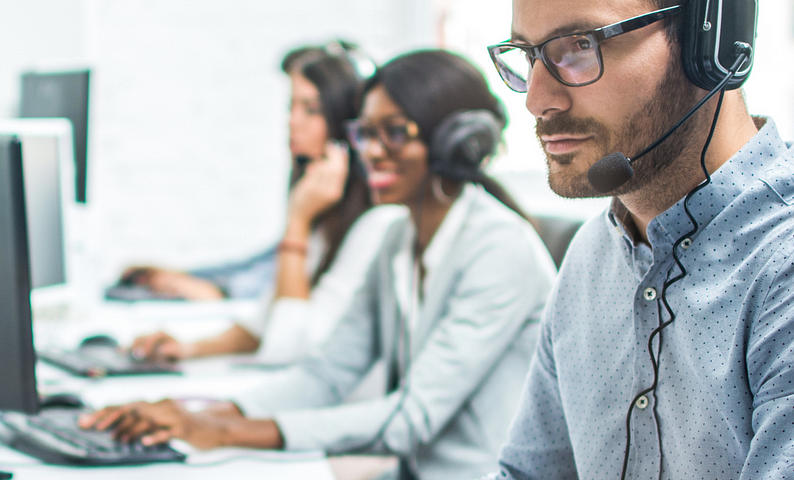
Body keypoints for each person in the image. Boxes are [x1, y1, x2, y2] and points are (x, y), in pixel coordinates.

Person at [484, 0, 794, 478]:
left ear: (710, 41)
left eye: (579, 46)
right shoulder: (595, 254)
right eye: (528, 55)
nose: (536, 98)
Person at [82, 50, 557, 480]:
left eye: (394, 132)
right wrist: (204, 410)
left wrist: (223, 431)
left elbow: (410, 419)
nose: (371, 151)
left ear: (458, 142)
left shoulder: (499, 249)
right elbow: (326, 374)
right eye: (365, 133)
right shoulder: (397, 237)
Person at [128, 44, 407, 364]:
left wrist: (297, 223)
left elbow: (288, 347)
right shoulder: (328, 211)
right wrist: (189, 349)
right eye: (291, 107)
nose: (292, 122)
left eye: (311, 110)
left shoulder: (376, 223)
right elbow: (265, 321)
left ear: (346, 122)